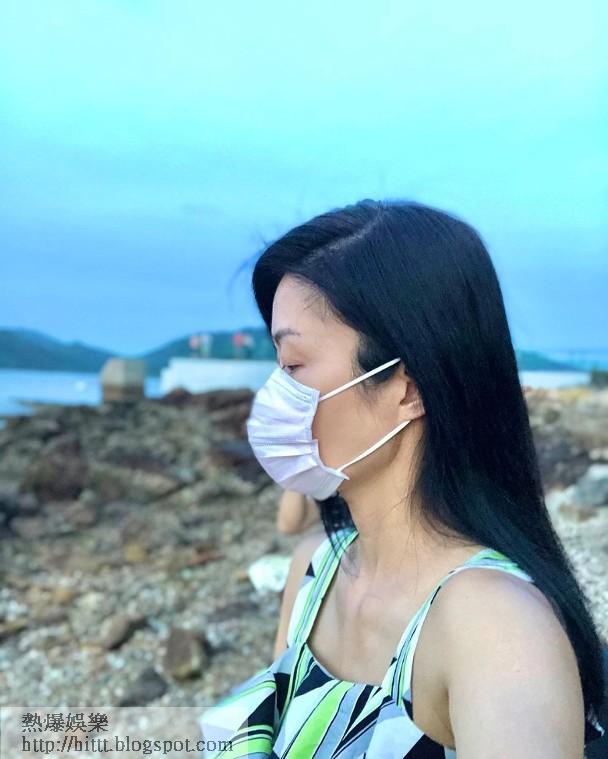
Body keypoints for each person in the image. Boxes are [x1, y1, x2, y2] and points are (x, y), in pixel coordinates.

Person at [200, 199, 606, 757]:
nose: (273, 396)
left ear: (408, 389)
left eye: (293, 366)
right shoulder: (314, 573)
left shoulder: (496, 628)